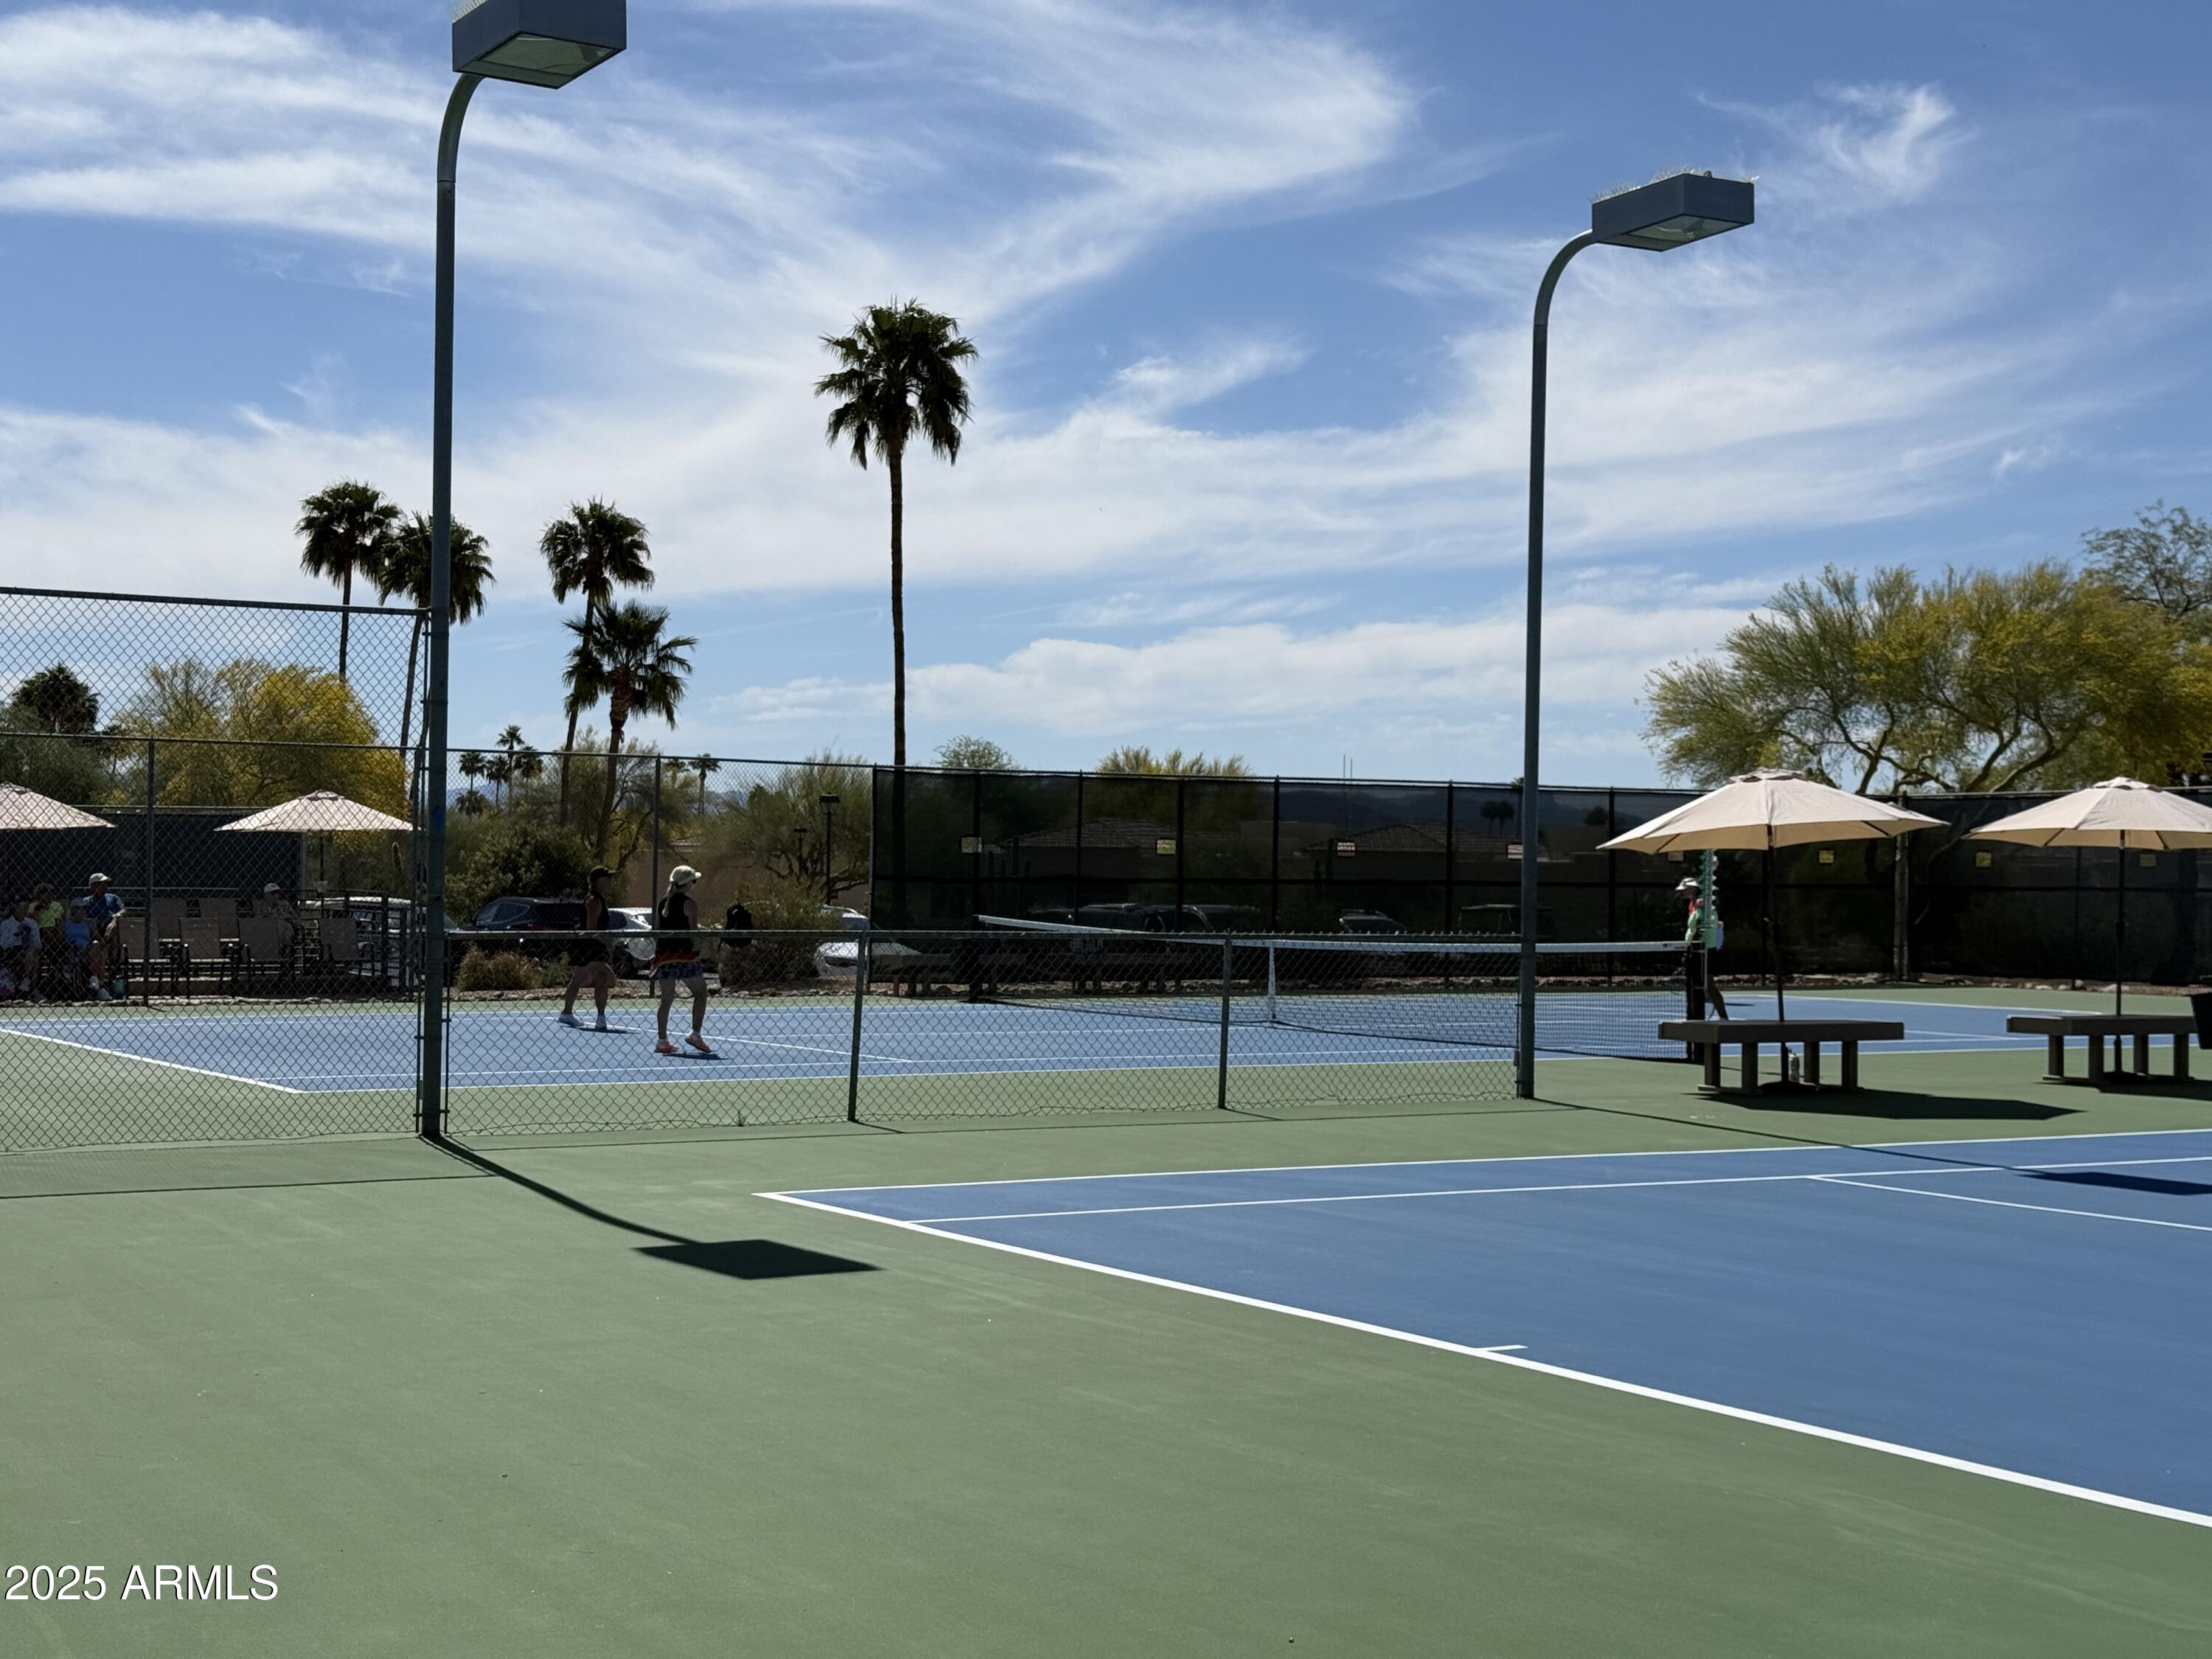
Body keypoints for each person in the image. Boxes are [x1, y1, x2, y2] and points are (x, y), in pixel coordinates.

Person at [650, 865, 714, 1057]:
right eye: (694, 881)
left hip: (665, 956)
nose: (695, 884)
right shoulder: (690, 904)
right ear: (688, 883)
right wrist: (697, 949)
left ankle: (662, 1041)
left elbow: (657, 929)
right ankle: (695, 1033)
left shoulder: (663, 903)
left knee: (666, 999)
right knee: (701, 993)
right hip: (684, 956)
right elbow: (693, 932)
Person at [560, 866, 619, 1032]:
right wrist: (607, 941)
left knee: (584, 979)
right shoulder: (594, 900)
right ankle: (598, 1017)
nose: (610, 881)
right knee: (604, 977)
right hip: (590, 945)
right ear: (599, 881)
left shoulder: (600, 899)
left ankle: (568, 1013)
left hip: (591, 944)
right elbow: (592, 929)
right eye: (608, 878)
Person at [1679, 875, 1728, 1020]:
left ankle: (1723, 1018)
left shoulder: (1703, 904)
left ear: (1693, 889)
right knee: (1697, 985)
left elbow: (1705, 926)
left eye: (1685, 889)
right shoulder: (1693, 904)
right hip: (1696, 950)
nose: (1682, 892)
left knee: (1708, 986)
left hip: (1705, 950)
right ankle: (1695, 1017)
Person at [81, 872, 127, 1001]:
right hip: (93, 935)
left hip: (111, 935)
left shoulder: (113, 898)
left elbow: (123, 911)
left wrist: (114, 918)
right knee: (99, 946)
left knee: (114, 924)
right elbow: (87, 922)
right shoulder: (86, 902)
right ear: (93, 886)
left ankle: (97, 981)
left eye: (106, 883)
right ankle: (100, 986)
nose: (105, 886)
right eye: (102, 884)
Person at [0, 897, 40, 1003]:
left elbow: (38, 944)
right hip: (12, 949)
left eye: (27, 908)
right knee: (33, 958)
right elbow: (3, 945)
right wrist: (17, 934)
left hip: (29, 949)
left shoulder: (32, 923)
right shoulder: (6, 924)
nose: (25, 910)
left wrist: (30, 933)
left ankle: (26, 981)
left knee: (32, 952)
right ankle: (30, 987)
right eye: (23, 908)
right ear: (16, 908)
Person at [256, 883, 302, 961]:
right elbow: (259, 923)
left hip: (286, 931)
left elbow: (296, 920)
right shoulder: (262, 908)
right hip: (269, 933)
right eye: (273, 893)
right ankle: (284, 953)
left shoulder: (285, 905)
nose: (276, 896)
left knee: (286, 927)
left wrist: (287, 920)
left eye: (277, 893)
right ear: (266, 895)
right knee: (283, 926)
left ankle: (279, 950)